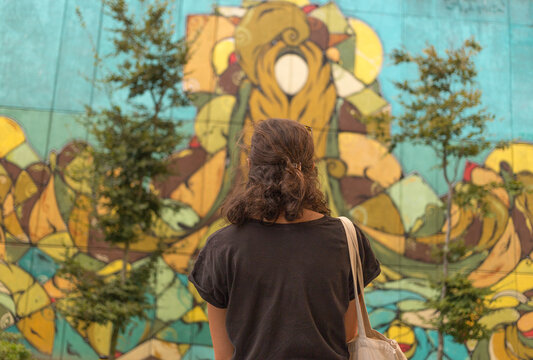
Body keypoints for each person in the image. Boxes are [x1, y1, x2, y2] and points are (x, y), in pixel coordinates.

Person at [189, 118, 381, 360]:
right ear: (311, 168)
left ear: (250, 166)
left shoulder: (222, 247)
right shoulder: (345, 238)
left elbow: (224, 354)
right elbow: (347, 333)